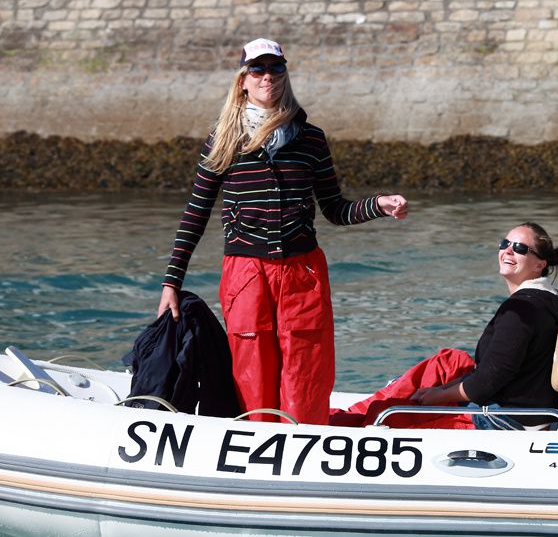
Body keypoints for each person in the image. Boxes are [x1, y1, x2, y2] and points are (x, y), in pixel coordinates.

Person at [157, 37, 408, 425]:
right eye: (257, 69)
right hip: (246, 273)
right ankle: (255, 441)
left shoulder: (310, 139)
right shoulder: (224, 139)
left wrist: (378, 204)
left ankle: (305, 440)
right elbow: (196, 213)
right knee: (251, 368)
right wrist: (171, 284)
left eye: (275, 68)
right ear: (243, 79)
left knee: (306, 372)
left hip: (301, 272)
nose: (267, 77)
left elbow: (336, 210)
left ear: (284, 74)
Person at [332, 222, 558, 430]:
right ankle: (363, 414)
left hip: (505, 420)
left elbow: (490, 379)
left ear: (539, 264)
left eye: (519, 249)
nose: (507, 251)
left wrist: (439, 395)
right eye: (504, 243)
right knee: (448, 362)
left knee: (397, 420)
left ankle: (356, 422)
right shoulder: (553, 300)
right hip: (521, 406)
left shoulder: (522, 311)